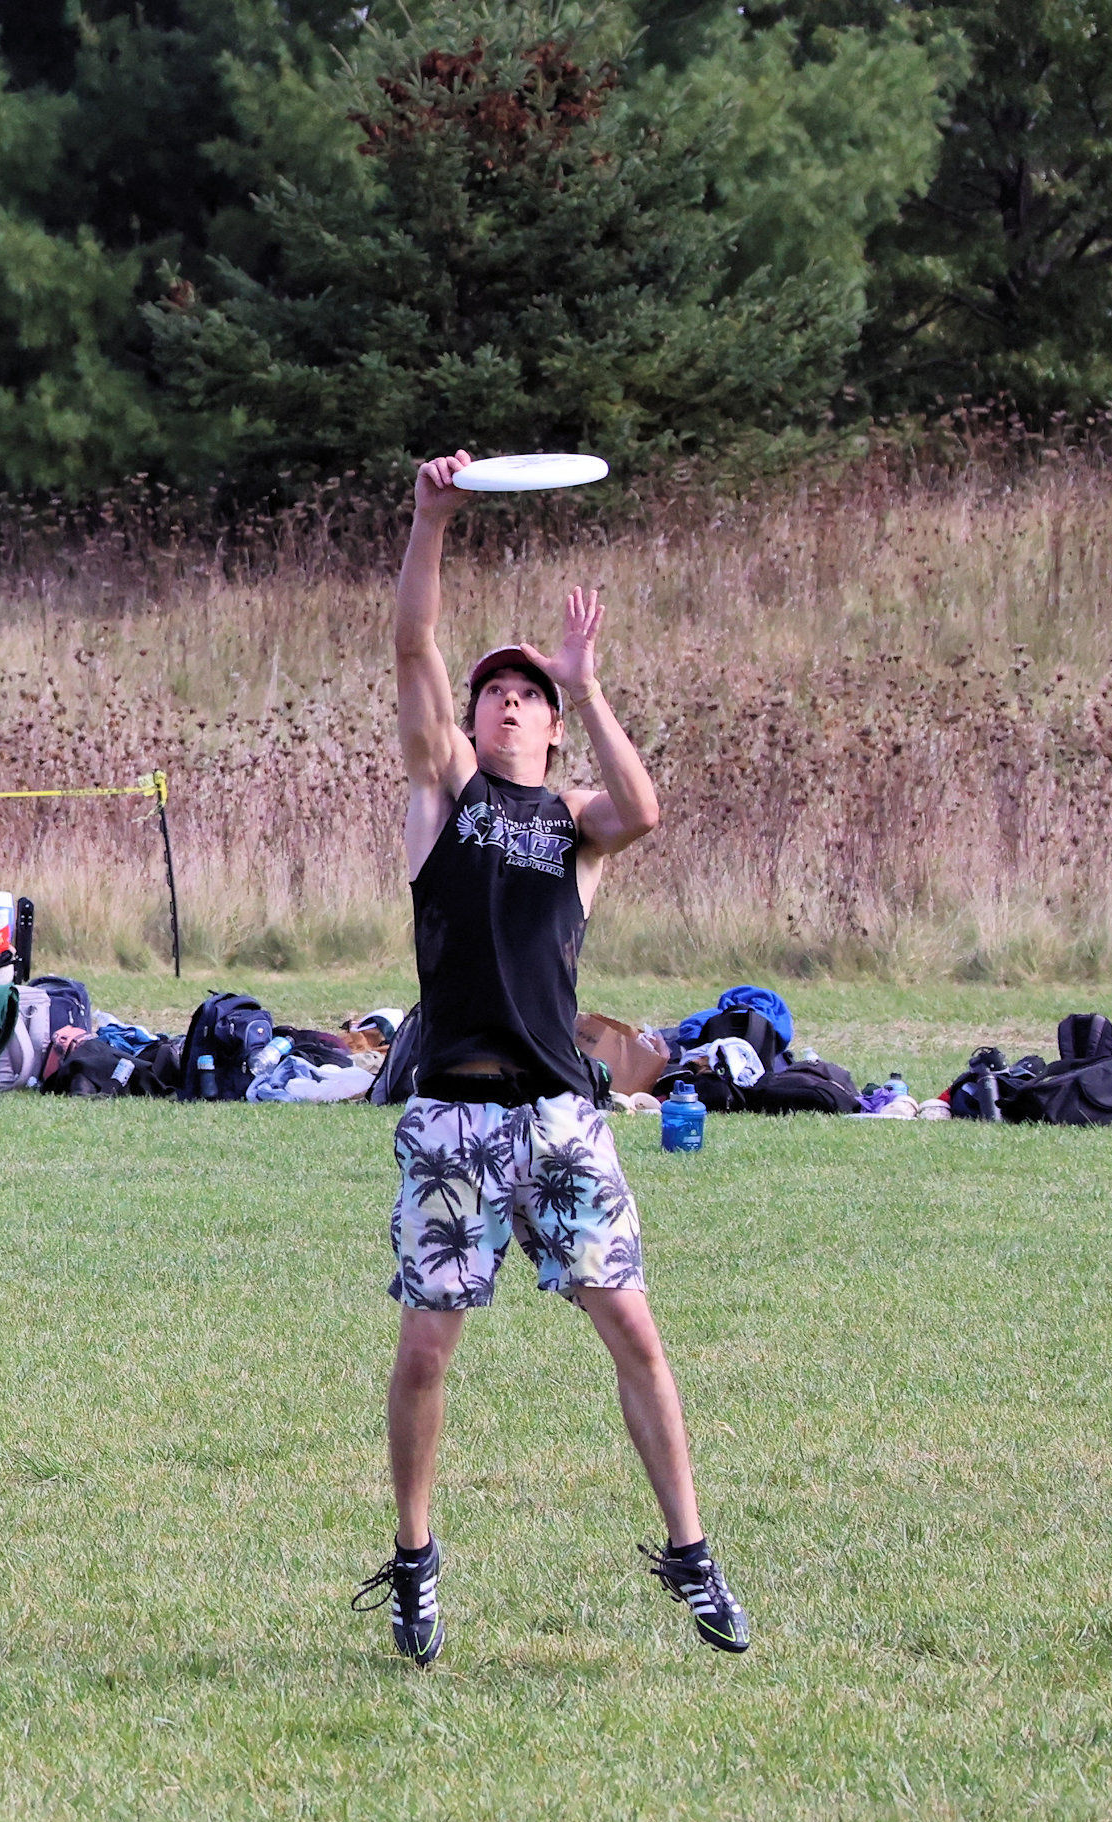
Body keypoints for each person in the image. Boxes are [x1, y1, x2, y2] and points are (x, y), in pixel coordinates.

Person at [352, 452, 749, 1665]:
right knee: (426, 1349)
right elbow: (412, 642)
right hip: (453, 1118)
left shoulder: (576, 825)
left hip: (563, 1121)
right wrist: (429, 519)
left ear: (554, 723)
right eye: (496, 692)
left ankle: (691, 1550)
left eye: (530, 694)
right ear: (472, 719)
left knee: (636, 1333)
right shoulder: (444, 795)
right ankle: (415, 1557)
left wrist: (590, 682)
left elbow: (645, 810)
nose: (509, 704)